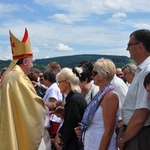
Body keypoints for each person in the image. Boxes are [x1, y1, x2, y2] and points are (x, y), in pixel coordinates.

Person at [0, 28, 51, 150]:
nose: (32, 65)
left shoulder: (10, 75)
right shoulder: (19, 77)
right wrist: (46, 106)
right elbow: (32, 106)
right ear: (25, 62)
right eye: (31, 62)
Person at [75, 58, 119, 150]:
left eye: (94, 73)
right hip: (92, 144)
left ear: (103, 75)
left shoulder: (110, 96)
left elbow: (109, 130)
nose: (91, 76)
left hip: (100, 145)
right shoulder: (101, 94)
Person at [117, 29, 150, 150]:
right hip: (134, 131)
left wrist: (124, 138)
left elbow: (141, 115)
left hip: (139, 134)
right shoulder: (141, 70)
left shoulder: (147, 71)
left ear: (140, 46)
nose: (127, 49)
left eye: (129, 45)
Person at [55, 67, 87, 150]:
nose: (58, 85)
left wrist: (61, 141)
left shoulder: (73, 100)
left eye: (59, 82)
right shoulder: (74, 98)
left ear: (66, 83)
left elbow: (71, 125)